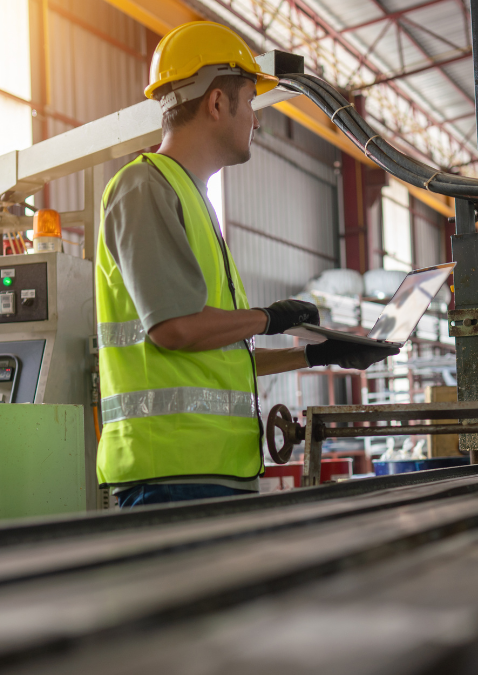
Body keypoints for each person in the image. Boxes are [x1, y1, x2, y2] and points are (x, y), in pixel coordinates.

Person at [95, 21, 398, 508]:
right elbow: (174, 330)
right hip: (171, 474)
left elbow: (216, 361)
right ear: (217, 103)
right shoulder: (145, 187)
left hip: (212, 470)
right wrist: (270, 319)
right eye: (250, 103)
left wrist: (319, 355)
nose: (256, 121)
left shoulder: (194, 202)